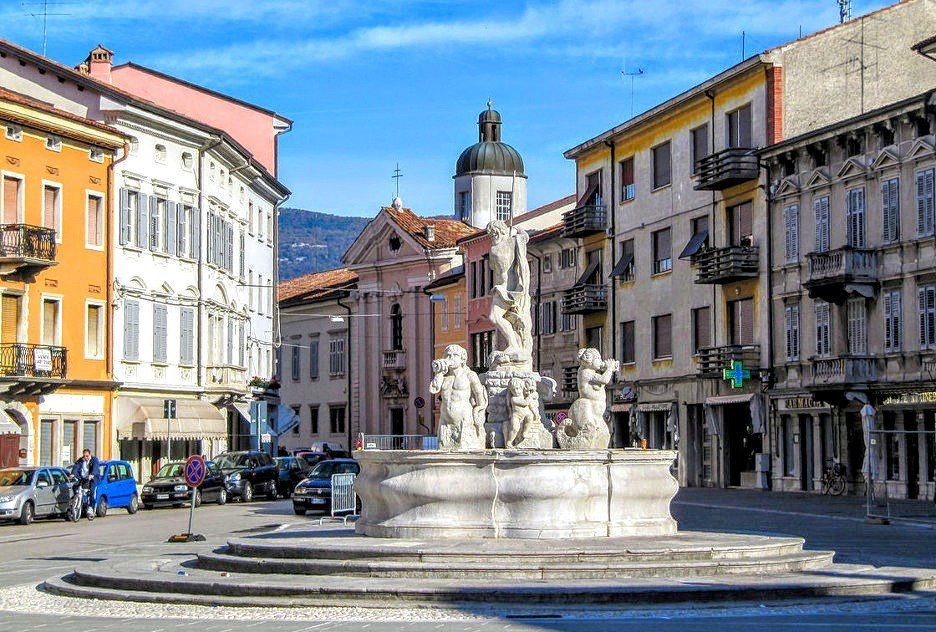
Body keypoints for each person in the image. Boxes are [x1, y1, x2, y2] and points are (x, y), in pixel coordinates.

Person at [71, 448, 99, 521]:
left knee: (92, 492)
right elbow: (76, 467)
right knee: (75, 487)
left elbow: (96, 468)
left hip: (92, 479)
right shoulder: (81, 460)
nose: (85, 457)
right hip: (83, 478)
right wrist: (73, 474)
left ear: (89, 455)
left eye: (87, 456)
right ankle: (75, 501)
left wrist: (92, 474)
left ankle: (91, 508)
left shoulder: (94, 460)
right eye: (84, 456)